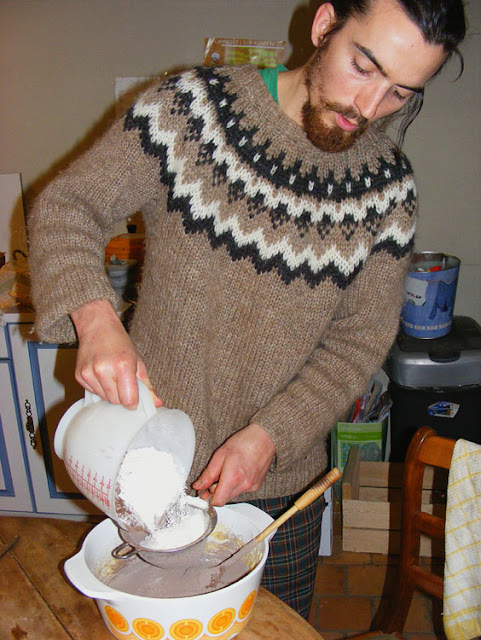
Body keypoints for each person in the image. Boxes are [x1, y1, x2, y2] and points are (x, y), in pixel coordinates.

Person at [29, 0, 466, 619]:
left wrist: (269, 437)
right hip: (145, 462)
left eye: (400, 93)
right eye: (362, 67)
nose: (366, 111)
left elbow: (359, 342)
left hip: (277, 491)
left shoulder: (386, 189)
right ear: (324, 25)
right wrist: (95, 317)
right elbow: (69, 205)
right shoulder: (191, 110)